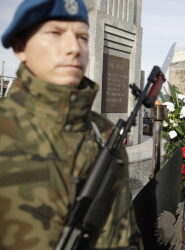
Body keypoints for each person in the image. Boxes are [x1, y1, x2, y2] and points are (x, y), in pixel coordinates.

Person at [0, 0, 142, 249]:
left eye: (83, 37)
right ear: (20, 46)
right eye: (54, 33)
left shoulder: (106, 133)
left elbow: (127, 228)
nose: (74, 48)